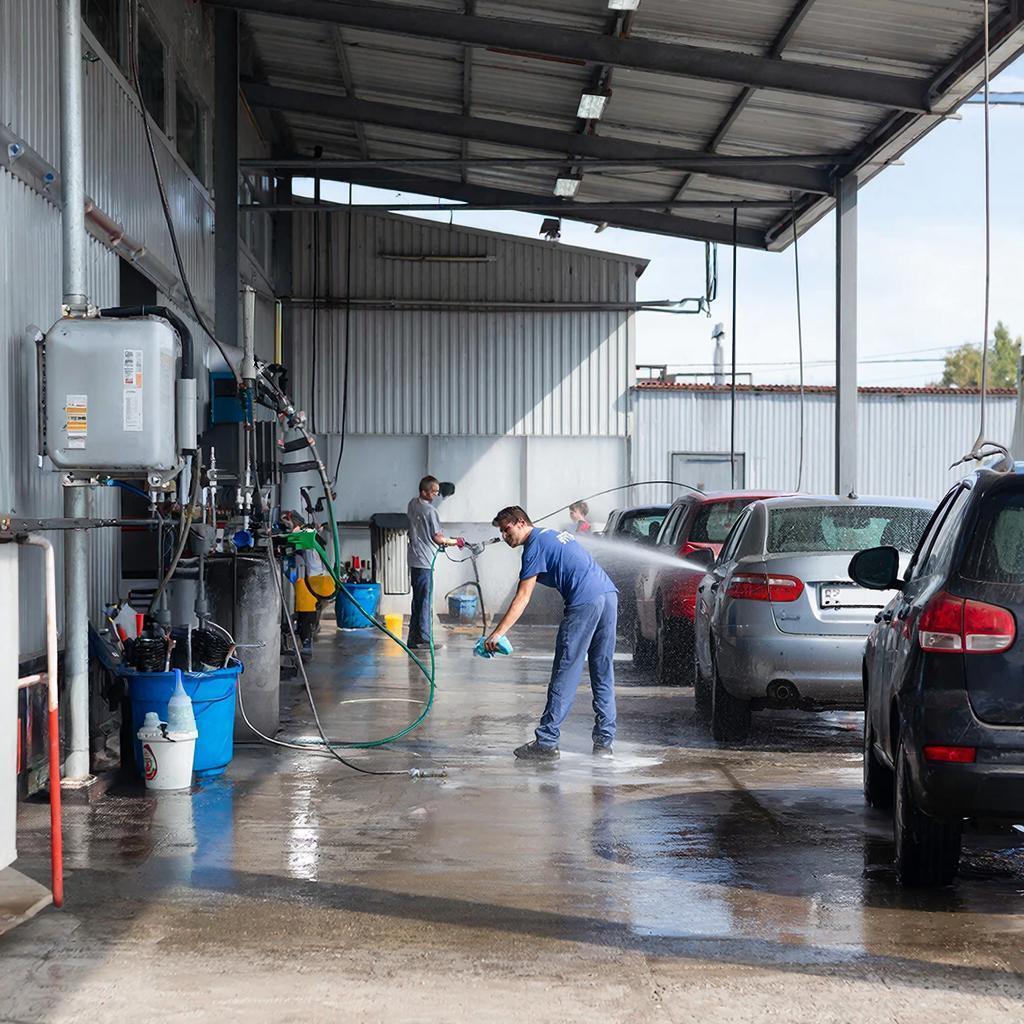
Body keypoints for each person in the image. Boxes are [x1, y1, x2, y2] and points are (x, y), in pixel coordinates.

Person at [485, 505, 617, 760]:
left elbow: (523, 597)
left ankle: (546, 742)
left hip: (585, 601)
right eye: (501, 532)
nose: (504, 536)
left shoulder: (534, 545)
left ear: (521, 522)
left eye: (507, 529)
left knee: (565, 670)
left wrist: (497, 634)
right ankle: (604, 743)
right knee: (602, 671)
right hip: (607, 594)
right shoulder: (550, 534)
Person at [407, 475, 464, 651]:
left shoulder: (412, 504)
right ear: (424, 492)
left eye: (438, 492)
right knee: (425, 601)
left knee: (417, 600)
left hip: (414, 558)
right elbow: (438, 538)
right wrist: (456, 542)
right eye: (433, 492)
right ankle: (424, 640)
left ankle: (413, 639)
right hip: (425, 560)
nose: (436, 495)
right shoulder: (430, 511)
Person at [283, 511, 336, 659]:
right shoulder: (312, 534)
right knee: (308, 615)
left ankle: (306, 644)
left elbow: (290, 539)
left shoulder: (307, 533)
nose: (287, 526)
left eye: (288, 522)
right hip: (321, 580)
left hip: (316, 581)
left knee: (305, 614)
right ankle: (307, 636)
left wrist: (286, 530)